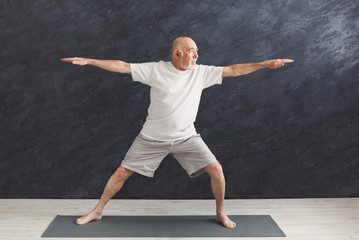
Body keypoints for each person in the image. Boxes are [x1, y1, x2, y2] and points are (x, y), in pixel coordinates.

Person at [61, 37, 293, 229]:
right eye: (192, 51)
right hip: (151, 138)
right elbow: (122, 66)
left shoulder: (201, 73)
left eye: (197, 51)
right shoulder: (156, 70)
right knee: (122, 172)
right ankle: (98, 211)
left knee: (216, 169)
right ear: (177, 53)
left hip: (186, 138)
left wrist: (264, 64)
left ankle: (221, 213)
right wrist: (90, 61)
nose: (196, 56)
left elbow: (233, 70)